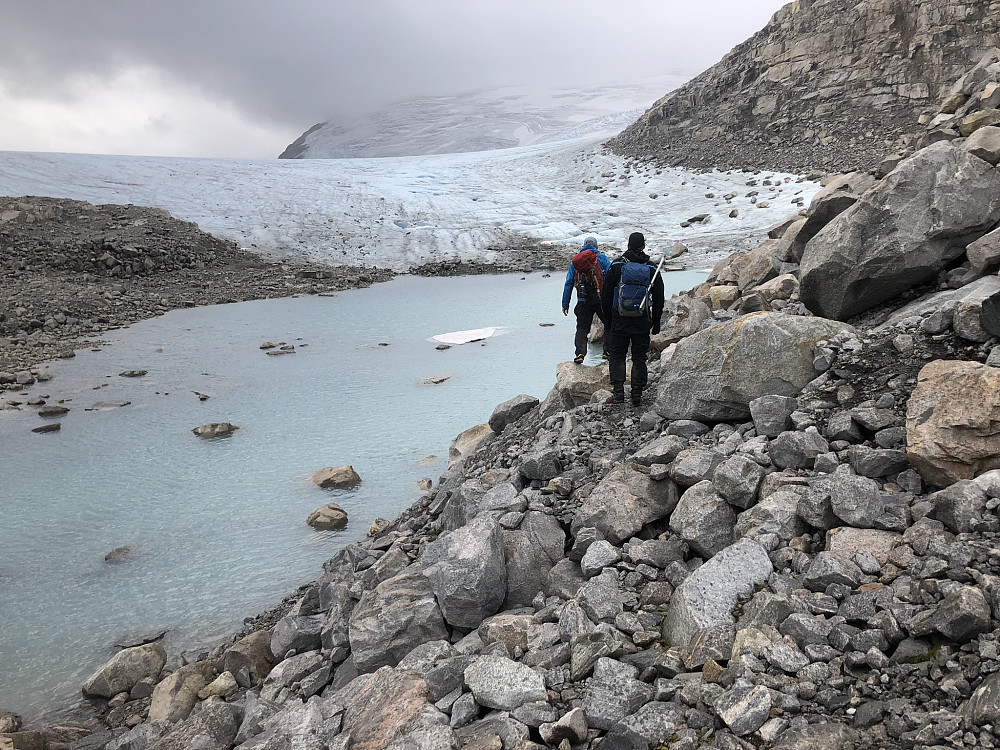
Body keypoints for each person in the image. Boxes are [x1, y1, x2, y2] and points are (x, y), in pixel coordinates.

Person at [600, 232, 665, 406]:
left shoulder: (617, 266)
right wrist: (656, 321)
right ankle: (637, 395)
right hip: (642, 318)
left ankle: (618, 394)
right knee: (639, 356)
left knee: (617, 355)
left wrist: (607, 321)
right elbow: (659, 296)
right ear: (644, 246)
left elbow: (605, 295)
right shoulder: (651, 268)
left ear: (628, 245)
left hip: (619, 318)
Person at [562, 236, 611, 364]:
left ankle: (580, 354)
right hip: (600, 298)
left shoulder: (577, 262)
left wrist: (565, 303)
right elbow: (611, 278)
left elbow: (569, 282)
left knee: (582, 327)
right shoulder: (601, 258)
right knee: (609, 323)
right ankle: (607, 351)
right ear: (596, 246)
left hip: (582, 299)